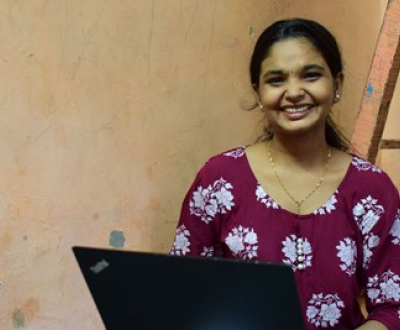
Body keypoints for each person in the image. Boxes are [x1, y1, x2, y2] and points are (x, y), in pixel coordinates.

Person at [170, 18, 400, 330]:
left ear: (338, 84)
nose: (293, 92)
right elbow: (185, 292)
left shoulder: (372, 190)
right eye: (276, 80)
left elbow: (392, 308)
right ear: (258, 92)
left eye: (311, 75)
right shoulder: (219, 181)